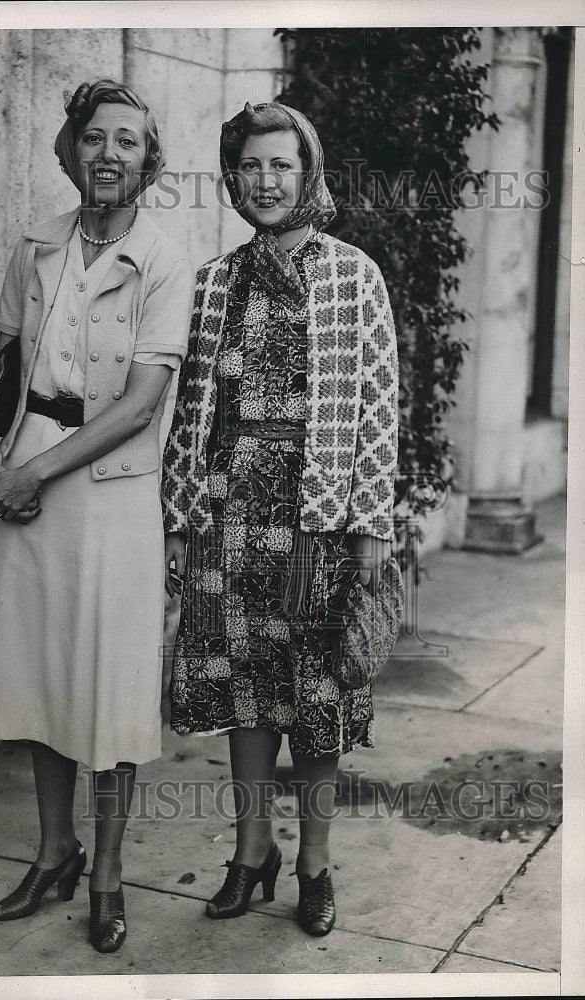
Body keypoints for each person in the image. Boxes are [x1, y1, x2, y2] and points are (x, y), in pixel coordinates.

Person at [161, 101, 402, 936]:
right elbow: (195, 411)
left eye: (281, 165)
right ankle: (251, 852)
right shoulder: (216, 282)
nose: (266, 180)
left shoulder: (353, 275)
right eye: (251, 166)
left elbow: (378, 407)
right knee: (243, 689)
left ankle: (315, 864)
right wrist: (181, 520)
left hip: (319, 518)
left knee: (316, 693)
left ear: (308, 174)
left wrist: (371, 525)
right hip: (232, 516)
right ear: (234, 178)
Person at [0, 79, 193, 954]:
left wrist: (34, 473)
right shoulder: (37, 246)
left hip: (110, 488)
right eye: (95, 139)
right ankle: (53, 851)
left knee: (109, 680)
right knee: (43, 669)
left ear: (148, 163)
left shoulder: (165, 260)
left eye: (128, 143)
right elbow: (3, 361)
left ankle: (105, 871)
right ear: (73, 151)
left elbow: (140, 405)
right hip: (29, 466)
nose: (109, 155)